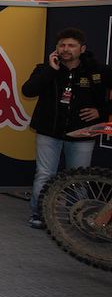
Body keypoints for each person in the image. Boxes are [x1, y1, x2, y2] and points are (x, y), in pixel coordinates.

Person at [23, 28, 111, 228]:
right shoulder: (45, 68)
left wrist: (102, 111)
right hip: (49, 132)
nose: (66, 49)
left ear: (82, 49)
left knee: (78, 176)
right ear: (56, 48)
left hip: (83, 134)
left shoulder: (98, 70)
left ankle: (76, 216)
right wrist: (50, 70)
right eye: (62, 45)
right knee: (45, 174)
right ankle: (39, 214)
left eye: (71, 45)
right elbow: (28, 90)